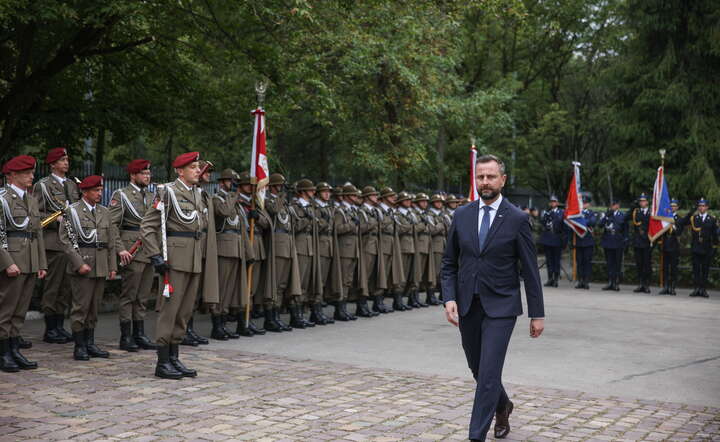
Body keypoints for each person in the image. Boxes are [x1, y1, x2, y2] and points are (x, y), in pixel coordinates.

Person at [442, 154, 545, 441]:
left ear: (503, 179)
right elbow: (449, 262)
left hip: (502, 306)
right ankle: (503, 404)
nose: (484, 182)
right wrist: (448, 297)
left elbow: (530, 270)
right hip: (467, 305)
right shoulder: (461, 216)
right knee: (477, 368)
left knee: (488, 372)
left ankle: (476, 435)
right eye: (480, 177)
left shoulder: (517, 219)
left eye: (490, 176)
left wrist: (538, 314)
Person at [140, 152, 219, 379]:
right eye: (193, 167)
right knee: (169, 311)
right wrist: (155, 256)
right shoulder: (167, 192)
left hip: (193, 258)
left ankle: (174, 357)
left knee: (184, 312)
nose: (198, 170)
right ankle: (162, 361)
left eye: (198, 167)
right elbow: (147, 226)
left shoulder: (198, 194)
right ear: (180, 170)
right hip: (174, 260)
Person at [59, 175, 118, 361]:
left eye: (100, 190)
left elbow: (111, 241)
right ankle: (79, 345)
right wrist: (78, 263)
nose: (100, 194)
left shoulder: (105, 212)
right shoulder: (72, 211)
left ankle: (90, 342)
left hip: (100, 264)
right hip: (83, 262)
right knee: (81, 307)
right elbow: (65, 241)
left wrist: (112, 265)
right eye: (96, 190)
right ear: (85, 192)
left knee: (94, 306)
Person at [0, 155, 47, 372]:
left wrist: (41, 263)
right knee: (6, 308)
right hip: (13, 259)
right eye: (27, 173)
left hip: (29, 260)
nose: (32, 176)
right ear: (13, 175)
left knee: (20, 309)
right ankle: (3, 352)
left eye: (31, 172)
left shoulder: (30, 199)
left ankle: (13, 346)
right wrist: (7, 262)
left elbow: (36, 233)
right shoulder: (3, 198)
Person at [109, 159, 157, 352]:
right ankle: (126, 335)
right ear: (133, 175)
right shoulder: (121, 195)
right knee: (129, 294)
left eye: (148, 173)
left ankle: (140, 333)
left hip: (149, 248)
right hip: (132, 249)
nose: (148, 176)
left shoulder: (153, 195)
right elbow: (112, 225)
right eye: (143, 173)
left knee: (143, 295)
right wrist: (120, 249)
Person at [33, 147, 80, 344]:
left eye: (67, 159)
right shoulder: (43, 186)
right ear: (53, 164)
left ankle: (60, 325)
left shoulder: (72, 184)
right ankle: (50, 328)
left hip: (69, 243)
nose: (66, 163)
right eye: (62, 160)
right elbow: (34, 215)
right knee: (52, 286)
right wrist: (55, 220)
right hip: (53, 242)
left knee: (66, 288)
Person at [683, 198, 718, 298]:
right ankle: (696, 289)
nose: (701, 208)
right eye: (700, 206)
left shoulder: (712, 219)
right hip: (696, 248)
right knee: (696, 270)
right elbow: (683, 222)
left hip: (706, 249)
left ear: (707, 207)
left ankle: (703, 289)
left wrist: (715, 247)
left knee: (705, 270)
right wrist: (691, 211)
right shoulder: (694, 218)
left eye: (703, 206)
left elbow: (715, 235)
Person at [570, 196, 597, 289]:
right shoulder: (578, 214)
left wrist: (582, 221)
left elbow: (592, 222)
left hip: (588, 242)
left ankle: (586, 281)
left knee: (587, 262)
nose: (584, 204)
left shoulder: (591, 213)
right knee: (579, 262)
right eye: (583, 203)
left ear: (588, 204)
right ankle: (580, 280)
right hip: (579, 241)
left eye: (586, 203)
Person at [600, 200, 627, 291]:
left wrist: (625, 241)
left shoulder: (622, 216)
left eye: (615, 205)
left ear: (618, 206)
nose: (613, 206)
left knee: (617, 264)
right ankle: (610, 282)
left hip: (618, 242)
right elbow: (600, 225)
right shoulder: (607, 214)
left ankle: (616, 282)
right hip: (608, 242)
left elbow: (625, 230)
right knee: (609, 263)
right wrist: (607, 215)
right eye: (612, 205)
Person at [538, 195, 565, 287]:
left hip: (557, 238)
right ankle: (550, 278)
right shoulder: (547, 212)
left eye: (554, 201)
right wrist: (546, 214)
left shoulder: (561, 212)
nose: (552, 203)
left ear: (557, 203)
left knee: (556, 260)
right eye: (551, 202)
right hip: (548, 238)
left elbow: (563, 225)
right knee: (549, 260)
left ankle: (556, 279)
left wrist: (564, 241)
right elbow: (542, 222)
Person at [657, 199, 682, 295]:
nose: (672, 207)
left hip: (674, 246)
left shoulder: (679, 218)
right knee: (665, 267)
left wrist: (673, 225)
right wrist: (660, 243)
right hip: (666, 245)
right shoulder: (664, 218)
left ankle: (672, 287)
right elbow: (661, 232)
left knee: (673, 268)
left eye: (674, 206)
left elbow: (679, 232)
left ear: (677, 207)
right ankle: (666, 286)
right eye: (671, 206)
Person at [631, 193, 652, 293]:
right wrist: (632, 206)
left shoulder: (651, 212)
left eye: (643, 201)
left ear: (647, 202)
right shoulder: (636, 211)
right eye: (640, 201)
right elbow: (627, 217)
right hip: (638, 242)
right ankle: (640, 283)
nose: (642, 203)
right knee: (639, 264)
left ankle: (646, 284)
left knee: (646, 264)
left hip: (647, 242)